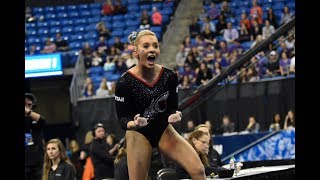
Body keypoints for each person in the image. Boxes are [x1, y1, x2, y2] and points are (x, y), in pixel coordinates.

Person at [115, 29, 206, 180]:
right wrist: (134, 123)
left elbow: (171, 107)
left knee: (198, 169)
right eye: (146, 46)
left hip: (163, 129)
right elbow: (122, 119)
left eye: (155, 46)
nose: (152, 49)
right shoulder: (125, 82)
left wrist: (175, 114)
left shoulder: (169, 76)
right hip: (138, 134)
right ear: (136, 52)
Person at [25, 93, 46, 180]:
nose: (26, 106)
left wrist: (28, 112)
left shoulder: (36, 119)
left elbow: (43, 121)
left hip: (37, 162)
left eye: (29, 104)